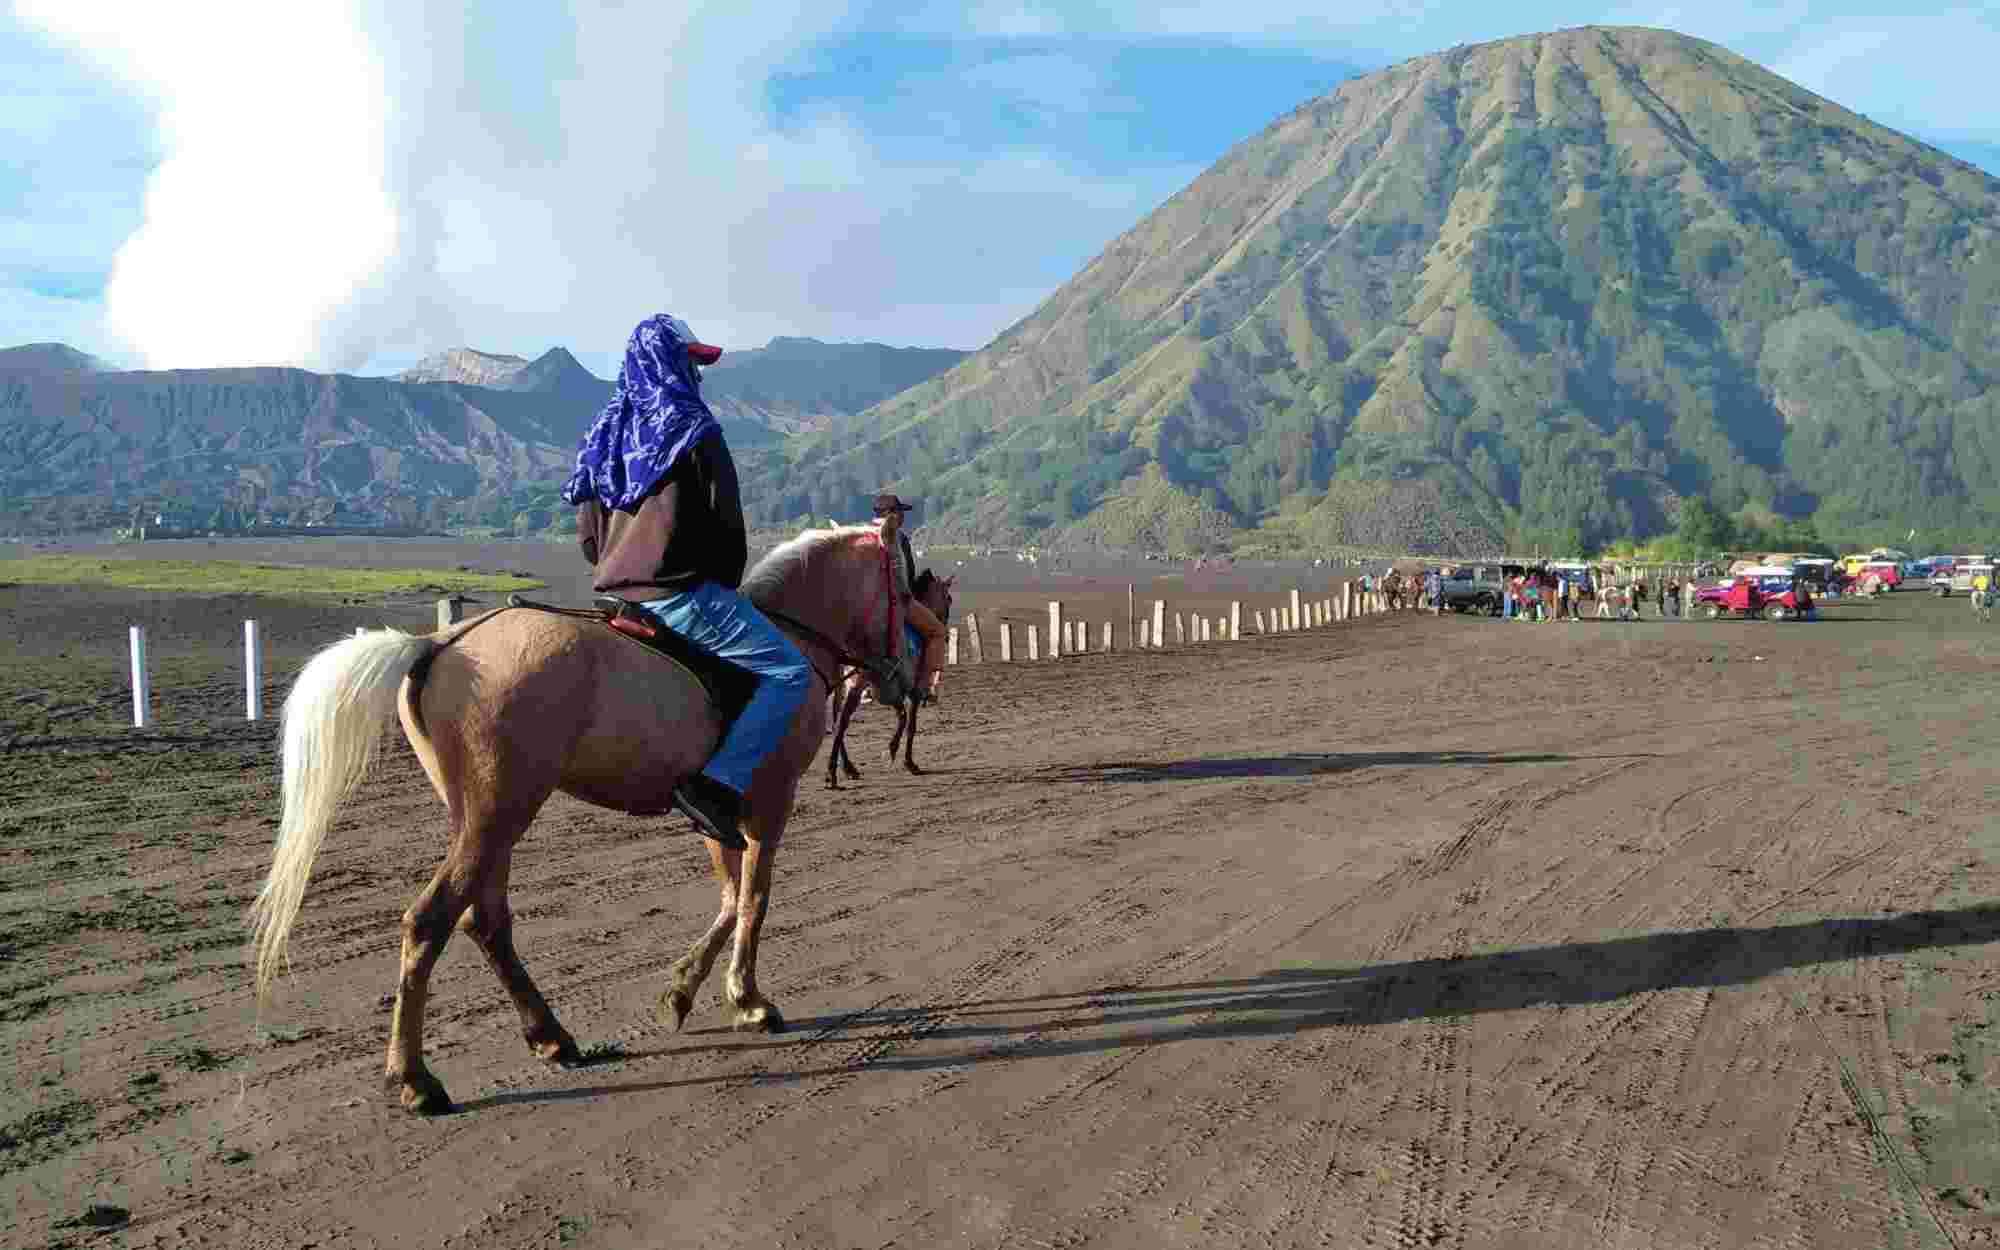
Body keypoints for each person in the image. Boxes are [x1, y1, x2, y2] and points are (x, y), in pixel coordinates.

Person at [560, 314, 812, 848]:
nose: (698, 373)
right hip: (679, 595)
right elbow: (727, 531)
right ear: (672, 363)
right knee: (790, 672)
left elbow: (587, 537)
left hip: (615, 596)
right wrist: (721, 585)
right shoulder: (695, 429)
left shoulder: (605, 432)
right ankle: (716, 786)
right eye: (692, 361)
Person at [872, 493, 947, 702]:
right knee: (937, 632)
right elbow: (908, 577)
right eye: (900, 512)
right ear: (891, 514)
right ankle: (928, 686)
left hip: (867, 602)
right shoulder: (899, 538)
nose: (903, 517)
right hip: (898, 602)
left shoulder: (863, 535)